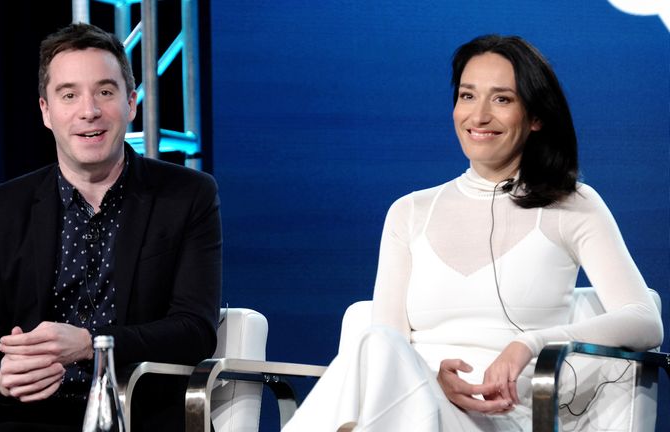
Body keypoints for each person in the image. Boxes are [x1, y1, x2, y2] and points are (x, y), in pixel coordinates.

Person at [282, 34, 664, 431]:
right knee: (373, 343)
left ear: (535, 117)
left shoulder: (571, 205)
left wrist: (529, 344)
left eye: (501, 99)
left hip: (500, 417)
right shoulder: (410, 212)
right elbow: (387, 339)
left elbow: (644, 320)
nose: (478, 116)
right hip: (411, 403)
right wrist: (432, 380)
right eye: (467, 96)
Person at [0, 22, 221, 431]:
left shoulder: (187, 194)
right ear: (46, 111)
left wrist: (91, 344)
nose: (89, 110)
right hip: (31, 406)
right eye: (69, 95)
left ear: (132, 103)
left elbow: (194, 330)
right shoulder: (5, 206)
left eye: (105, 92)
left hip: (135, 405)